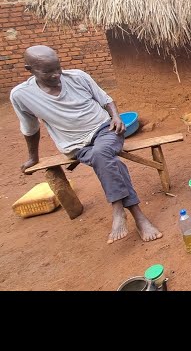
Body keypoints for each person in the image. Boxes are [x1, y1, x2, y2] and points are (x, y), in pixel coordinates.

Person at [9, 45, 163, 245]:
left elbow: (106, 100)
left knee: (101, 153)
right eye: (48, 72)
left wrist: (115, 116)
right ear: (29, 69)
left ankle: (118, 209)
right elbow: (30, 129)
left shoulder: (78, 77)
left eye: (58, 68)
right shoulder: (21, 95)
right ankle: (138, 215)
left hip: (106, 130)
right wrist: (33, 157)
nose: (56, 75)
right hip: (75, 145)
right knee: (105, 159)